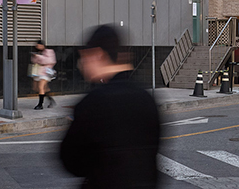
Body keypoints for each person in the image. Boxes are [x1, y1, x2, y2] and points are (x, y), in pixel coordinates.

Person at [60, 24, 160, 189]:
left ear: (98, 55)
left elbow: (71, 161)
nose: (81, 64)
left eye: (84, 57)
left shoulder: (93, 103)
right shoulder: (147, 98)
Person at [31, 40, 57, 109]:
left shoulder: (49, 51)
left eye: (39, 45)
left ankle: (40, 105)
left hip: (46, 72)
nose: (38, 47)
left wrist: (39, 57)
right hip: (38, 72)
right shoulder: (37, 52)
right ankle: (51, 100)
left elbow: (50, 61)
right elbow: (34, 61)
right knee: (38, 88)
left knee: (41, 87)